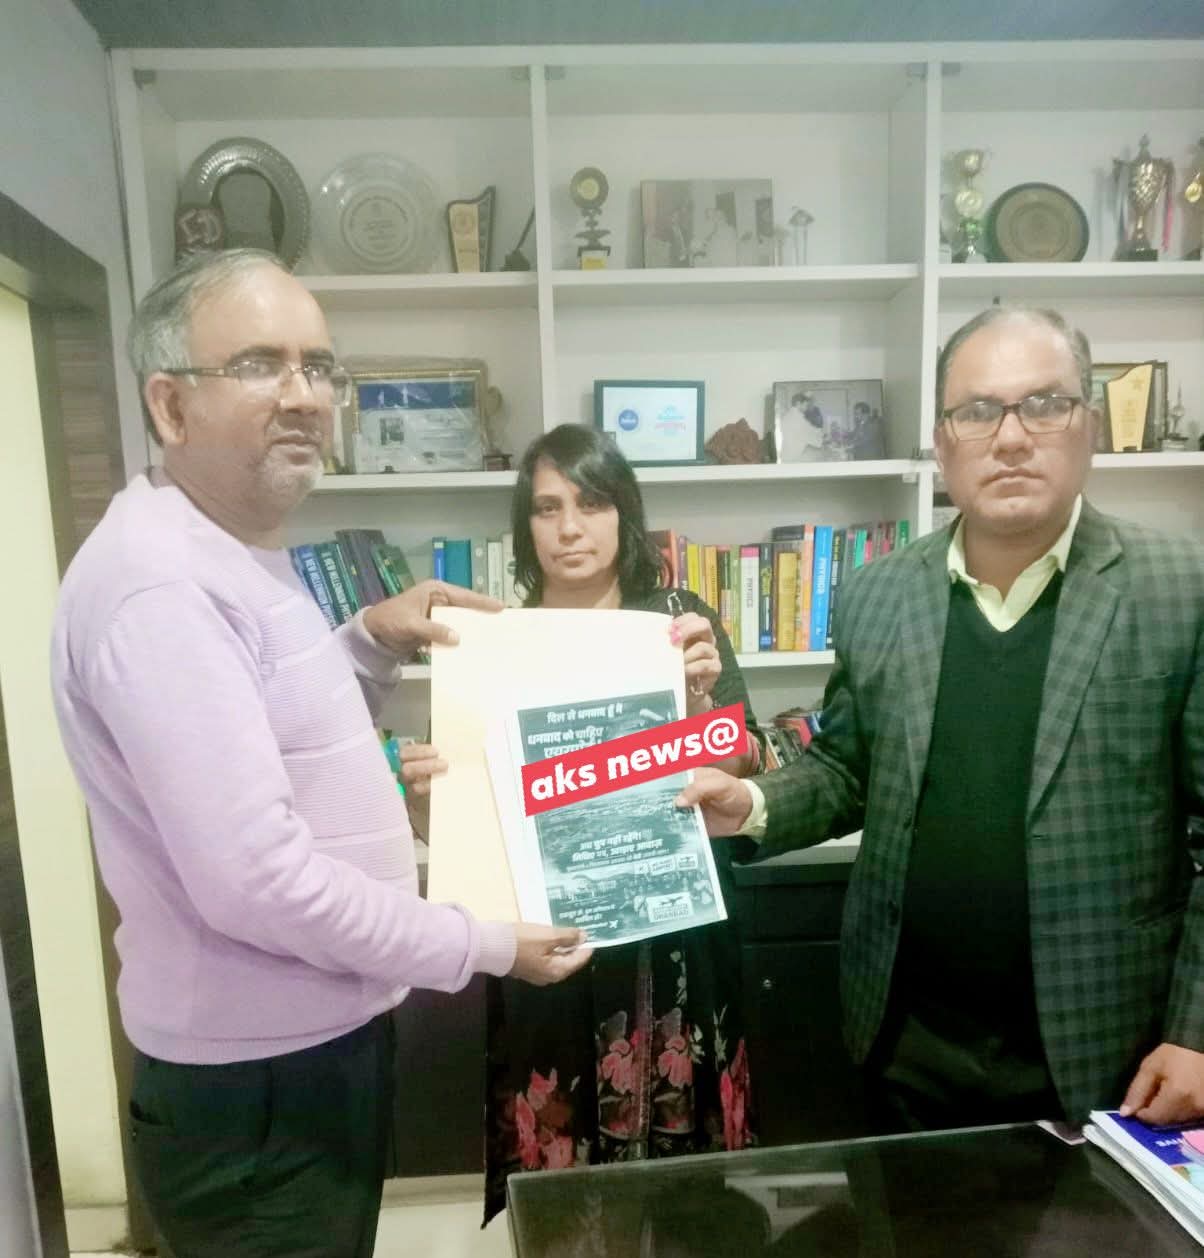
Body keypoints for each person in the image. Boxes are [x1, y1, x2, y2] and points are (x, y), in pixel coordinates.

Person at [49, 249, 591, 1258]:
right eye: (260, 364)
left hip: (301, 1056)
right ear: (170, 405)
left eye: (319, 366)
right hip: (257, 1090)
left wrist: (368, 643)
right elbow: (258, 882)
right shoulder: (161, 590)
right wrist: (478, 943)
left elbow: (266, 733)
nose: (304, 396)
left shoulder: (225, 549)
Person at [678, 306, 1204, 1134]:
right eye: (979, 411)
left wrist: (1196, 1030)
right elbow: (850, 767)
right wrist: (751, 804)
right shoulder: (880, 593)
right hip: (906, 1041)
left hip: (1111, 1046)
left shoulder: (1181, 588)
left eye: (1044, 404)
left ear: (1090, 425)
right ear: (942, 440)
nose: (1012, 437)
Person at [400, 425, 763, 1221]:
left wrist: (700, 706)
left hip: (670, 939)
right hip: (550, 948)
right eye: (547, 508)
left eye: (591, 504)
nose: (569, 528)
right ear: (524, 525)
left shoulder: (678, 623)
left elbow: (743, 764)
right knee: (564, 1197)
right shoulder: (495, 642)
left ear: (623, 514)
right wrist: (431, 801)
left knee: (685, 1199)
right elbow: (473, 820)